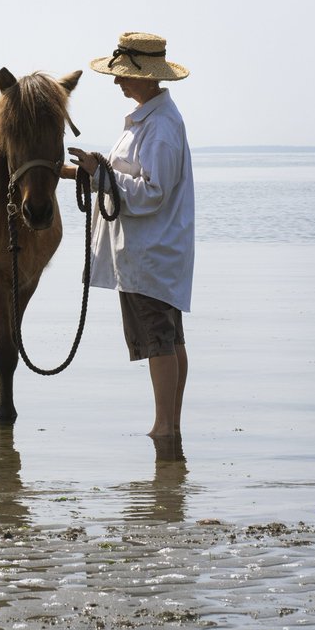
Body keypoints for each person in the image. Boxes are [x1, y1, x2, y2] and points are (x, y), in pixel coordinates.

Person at [63, 31, 194, 441]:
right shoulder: (150, 120)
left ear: (147, 75)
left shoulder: (160, 128)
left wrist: (98, 174)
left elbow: (152, 191)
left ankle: (165, 426)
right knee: (169, 337)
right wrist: (77, 172)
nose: (117, 82)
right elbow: (124, 174)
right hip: (152, 252)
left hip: (149, 252)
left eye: (122, 75)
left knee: (159, 339)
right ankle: (169, 424)